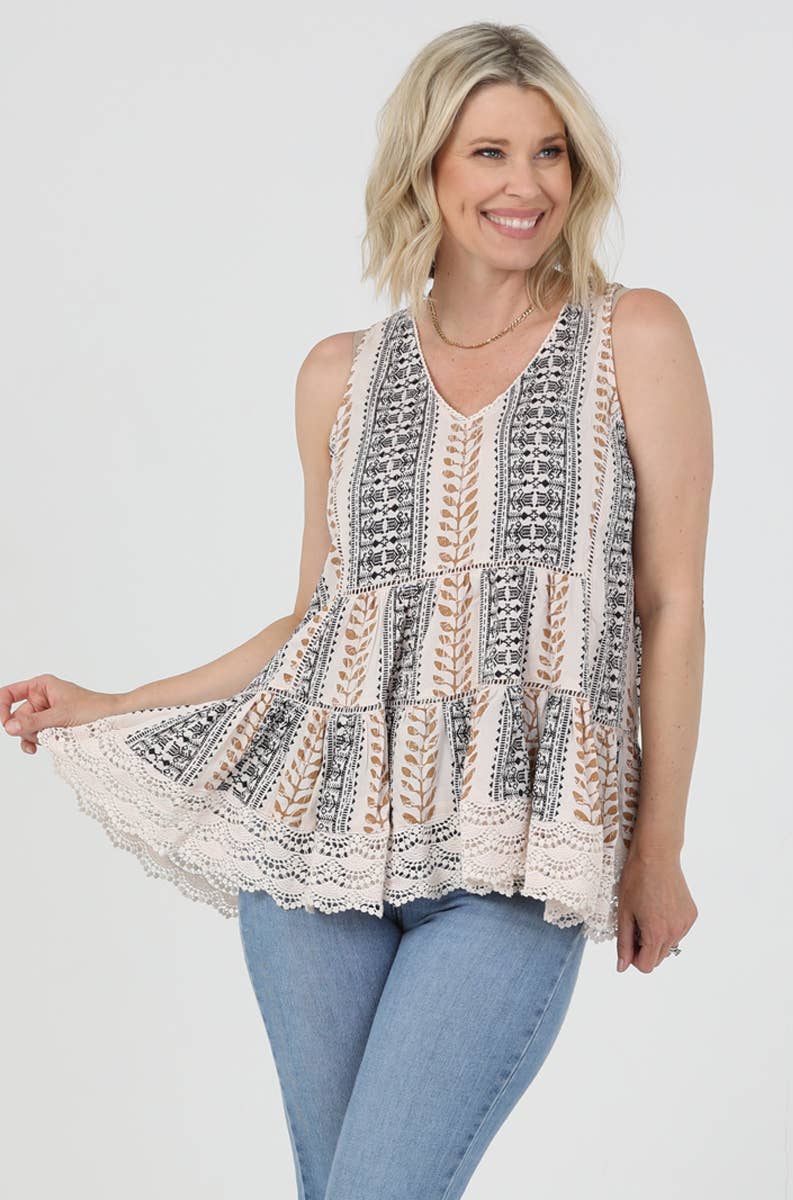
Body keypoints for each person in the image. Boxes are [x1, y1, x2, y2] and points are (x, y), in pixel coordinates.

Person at [1, 21, 711, 1199]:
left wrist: (658, 849)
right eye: (488, 152)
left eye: (549, 153)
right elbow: (317, 624)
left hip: (510, 848)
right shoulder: (340, 373)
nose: (525, 185)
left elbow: (670, 603)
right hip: (314, 850)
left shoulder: (629, 336)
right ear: (424, 168)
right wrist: (114, 701)